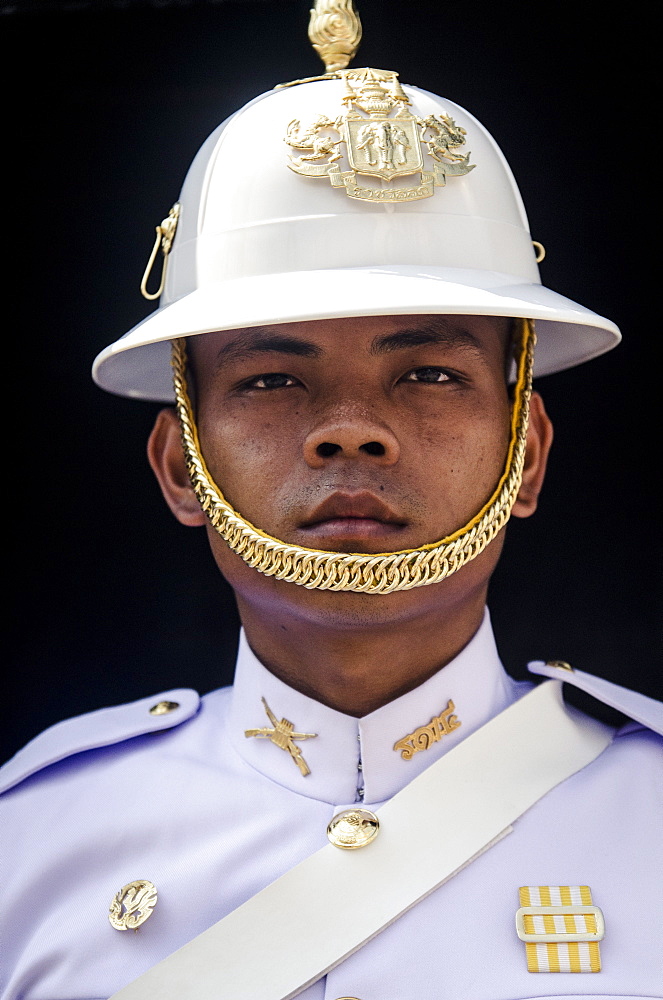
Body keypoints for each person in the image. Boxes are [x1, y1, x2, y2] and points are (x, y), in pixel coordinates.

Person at [2, 3, 661, 999]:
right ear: (181, 466)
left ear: (524, 456)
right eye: (273, 380)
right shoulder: (33, 836)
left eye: (430, 374)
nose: (352, 428)